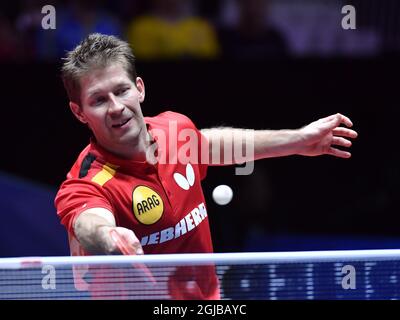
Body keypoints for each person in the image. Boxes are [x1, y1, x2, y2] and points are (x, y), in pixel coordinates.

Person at [55, 33, 358, 299]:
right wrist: (109, 236)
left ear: (139, 89)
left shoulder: (175, 128)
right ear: (79, 113)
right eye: (98, 100)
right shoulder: (88, 181)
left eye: (121, 91)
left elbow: (212, 145)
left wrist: (299, 141)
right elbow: (87, 220)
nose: (116, 107)